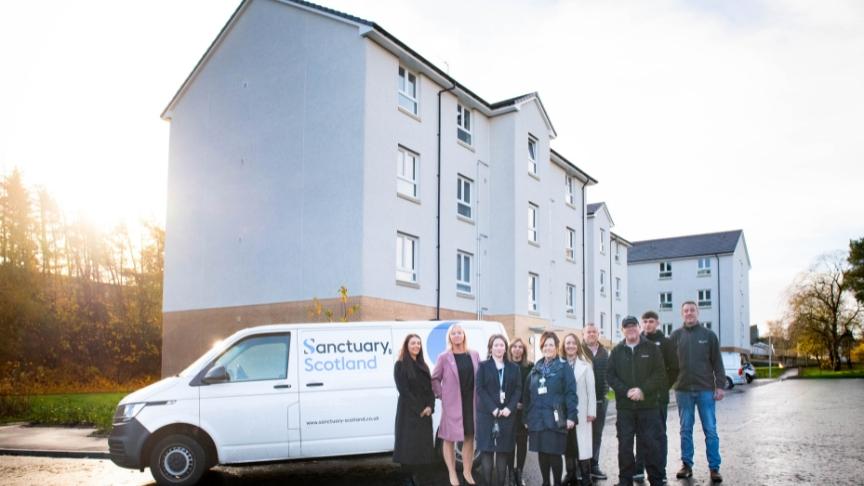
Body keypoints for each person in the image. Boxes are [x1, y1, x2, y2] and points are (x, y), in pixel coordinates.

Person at [669, 302, 725, 483]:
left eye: (692, 310)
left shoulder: (709, 336)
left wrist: (720, 385)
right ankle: (687, 465)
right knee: (685, 429)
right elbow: (668, 364)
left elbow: (717, 362)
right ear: (682, 314)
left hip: (705, 390)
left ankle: (714, 468)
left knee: (710, 429)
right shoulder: (675, 336)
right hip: (683, 390)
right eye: (685, 310)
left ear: (698, 312)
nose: (689, 313)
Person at [606, 316, 665, 486]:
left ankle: (656, 479)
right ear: (622, 330)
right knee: (624, 445)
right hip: (625, 408)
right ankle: (625, 480)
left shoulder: (652, 348)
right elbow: (610, 376)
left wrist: (642, 390)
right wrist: (626, 391)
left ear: (639, 328)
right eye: (627, 327)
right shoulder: (616, 351)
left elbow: (659, 374)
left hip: (648, 407)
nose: (631, 329)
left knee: (651, 444)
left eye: (633, 326)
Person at [524, 331, 578, 486]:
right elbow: (527, 395)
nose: (548, 348)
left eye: (551, 345)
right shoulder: (536, 368)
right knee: (542, 453)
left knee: (554, 454)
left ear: (556, 347)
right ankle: (545, 482)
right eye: (545, 345)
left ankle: (557, 483)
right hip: (538, 419)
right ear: (541, 347)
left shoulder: (563, 367)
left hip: (555, 418)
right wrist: (526, 417)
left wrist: (571, 416)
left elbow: (571, 393)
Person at [432, 323, 481, 486]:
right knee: (449, 439)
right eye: (454, 333)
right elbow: (435, 378)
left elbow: (480, 378)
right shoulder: (444, 357)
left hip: (471, 402)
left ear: (464, 335)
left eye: (460, 332)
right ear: (450, 337)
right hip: (452, 403)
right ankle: (452, 473)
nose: (457, 335)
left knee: (469, 438)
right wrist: (442, 396)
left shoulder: (474, 354)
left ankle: (467, 471)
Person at [633, 311, 679, 484]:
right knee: (640, 434)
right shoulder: (637, 341)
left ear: (657, 323)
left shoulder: (666, 343)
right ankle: (639, 469)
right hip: (639, 399)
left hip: (658, 398)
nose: (647, 325)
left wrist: (662, 387)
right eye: (644, 321)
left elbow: (674, 368)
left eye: (651, 321)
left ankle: (661, 471)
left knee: (658, 435)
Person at [476, 334, 522, 486]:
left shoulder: (514, 368)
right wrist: (493, 408)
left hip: (507, 416)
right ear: (491, 348)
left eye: (502, 345)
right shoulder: (483, 366)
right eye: (496, 345)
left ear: (505, 348)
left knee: (502, 454)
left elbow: (518, 389)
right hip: (487, 415)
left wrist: (510, 407)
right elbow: (480, 389)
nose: (499, 348)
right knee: (487, 453)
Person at [393, 334, 436, 486]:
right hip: (409, 414)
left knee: (421, 450)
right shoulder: (400, 365)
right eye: (413, 343)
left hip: (425, 414)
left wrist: (431, 406)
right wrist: (420, 409)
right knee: (408, 449)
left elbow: (430, 390)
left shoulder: (424, 365)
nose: (416, 346)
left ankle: (418, 478)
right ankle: (407, 480)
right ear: (407, 345)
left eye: (418, 343)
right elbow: (403, 391)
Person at [561, 333, 597, 486]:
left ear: (578, 346)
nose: (570, 346)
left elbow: (591, 391)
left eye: (573, 343)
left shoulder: (586, 365)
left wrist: (591, 411)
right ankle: (570, 474)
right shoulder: (559, 365)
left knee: (583, 444)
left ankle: (586, 476)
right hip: (565, 412)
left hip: (582, 412)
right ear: (563, 346)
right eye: (567, 343)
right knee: (568, 444)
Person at [582, 323, 610, 481]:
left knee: (597, 434)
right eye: (588, 332)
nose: (591, 334)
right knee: (582, 435)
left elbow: (610, 373)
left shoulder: (604, 352)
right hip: (583, 402)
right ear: (583, 334)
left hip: (600, 399)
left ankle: (594, 465)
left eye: (594, 332)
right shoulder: (579, 351)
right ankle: (582, 467)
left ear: (598, 334)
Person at [509, 338, 534, 486]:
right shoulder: (505, 365)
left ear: (523, 350)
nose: (517, 349)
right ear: (510, 349)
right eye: (515, 346)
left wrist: (524, 405)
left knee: (522, 443)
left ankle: (520, 472)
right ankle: (511, 473)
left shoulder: (530, 366)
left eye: (520, 347)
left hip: (524, 413)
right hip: (509, 413)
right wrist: (512, 405)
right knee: (510, 444)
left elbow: (533, 389)